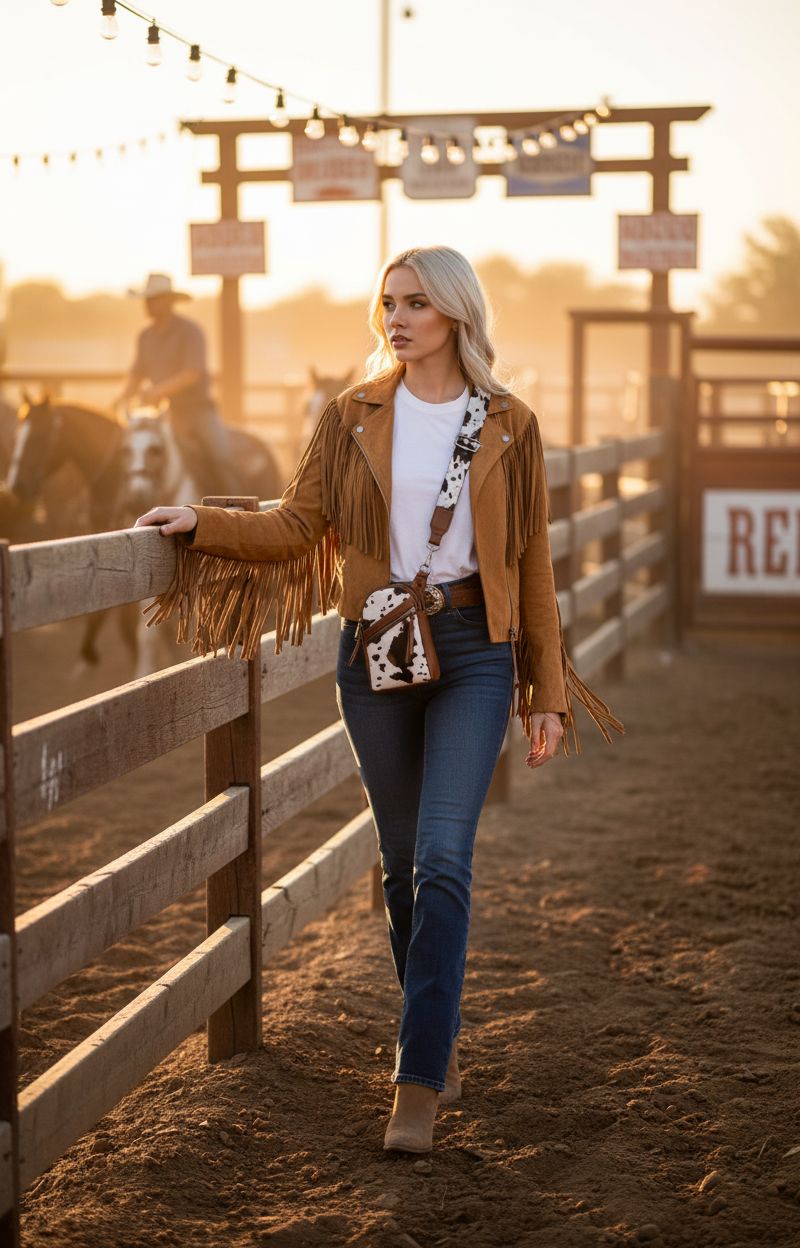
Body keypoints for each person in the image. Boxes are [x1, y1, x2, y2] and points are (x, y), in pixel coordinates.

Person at [135, 245, 621, 1154]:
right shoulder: (350, 417)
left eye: (416, 304)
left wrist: (546, 690)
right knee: (399, 867)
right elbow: (293, 526)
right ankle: (434, 1030)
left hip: (477, 651)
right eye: (388, 303)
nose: (396, 318)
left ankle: (418, 1080)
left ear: (456, 315)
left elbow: (534, 564)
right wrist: (202, 521)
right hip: (379, 655)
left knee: (442, 857)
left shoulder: (510, 423)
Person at [115, 272, 237, 493]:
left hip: (197, 411)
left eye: (153, 299)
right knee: (128, 453)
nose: (148, 304)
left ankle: (236, 507)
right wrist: (119, 399)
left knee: (220, 456)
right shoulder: (146, 336)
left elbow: (193, 372)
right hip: (161, 416)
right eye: (147, 299)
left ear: (169, 301)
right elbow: (136, 374)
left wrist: (159, 391)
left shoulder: (190, 332)